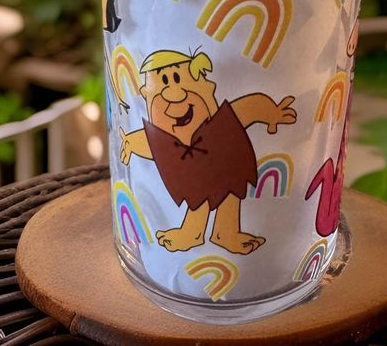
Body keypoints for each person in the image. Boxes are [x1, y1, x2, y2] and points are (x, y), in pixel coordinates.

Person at [119, 49, 297, 255]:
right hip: (194, 173)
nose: (175, 93)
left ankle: (225, 232)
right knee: (198, 201)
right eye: (164, 82)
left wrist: (272, 113)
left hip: (226, 168)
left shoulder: (221, 122)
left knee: (229, 198)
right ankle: (192, 233)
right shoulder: (165, 142)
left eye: (178, 79)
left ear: (204, 88)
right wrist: (130, 143)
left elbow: (248, 108)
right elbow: (148, 142)